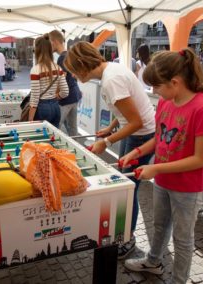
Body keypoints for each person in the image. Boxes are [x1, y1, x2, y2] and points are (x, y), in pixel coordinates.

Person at [122, 48, 203, 284]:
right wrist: (137, 152)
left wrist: (155, 169)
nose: (154, 91)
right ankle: (153, 261)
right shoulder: (166, 102)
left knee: (183, 239)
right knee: (160, 225)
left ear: (174, 82)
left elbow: (200, 159)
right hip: (164, 181)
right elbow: (159, 137)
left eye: (157, 86)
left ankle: (179, 279)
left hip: (188, 187)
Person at [64, 41, 155, 259]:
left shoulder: (111, 80)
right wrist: (111, 127)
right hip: (135, 132)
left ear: (83, 65)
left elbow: (136, 122)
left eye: (74, 73)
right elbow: (125, 110)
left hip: (141, 135)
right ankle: (125, 232)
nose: (75, 78)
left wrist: (106, 142)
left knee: (127, 188)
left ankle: (128, 238)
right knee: (125, 183)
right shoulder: (111, 71)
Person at [28, 34, 69, 127]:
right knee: (52, 137)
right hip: (55, 107)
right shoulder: (58, 68)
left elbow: (34, 98)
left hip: (42, 108)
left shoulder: (36, 70)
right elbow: (65, 92)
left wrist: (30, 119)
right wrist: (54, 96)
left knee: (40, 138)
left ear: (37, 51)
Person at [49, 29, 82, 136]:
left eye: (49, 43)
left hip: (66, 99)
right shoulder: (69, 55)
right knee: (73, 130)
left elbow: (62, 82)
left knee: (54, 128)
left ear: (54, 42)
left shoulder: (62, 58)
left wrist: (55, 96)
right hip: (74, 96)